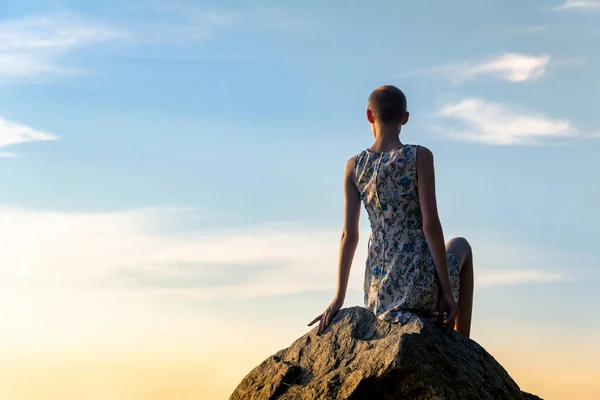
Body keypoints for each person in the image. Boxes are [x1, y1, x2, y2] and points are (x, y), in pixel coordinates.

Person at [308, 85, 474, 338]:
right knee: (461, 244)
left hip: (379, 294)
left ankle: (462, 344)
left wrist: (338, 297)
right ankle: (463, 341)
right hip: (421, 286)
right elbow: (430, 226)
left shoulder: (354, 167)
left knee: (455, 245)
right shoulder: (419, 156)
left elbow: (348, 236)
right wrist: (448, 293)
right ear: (405, 118)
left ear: (369, 116)